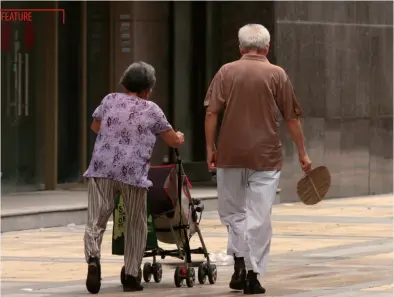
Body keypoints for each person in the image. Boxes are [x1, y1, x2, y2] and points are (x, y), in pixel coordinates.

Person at [204, 24, 312, 295]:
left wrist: (210, 148)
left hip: (230, 154)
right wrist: (302, 152)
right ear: (267, 47)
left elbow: (211, 113)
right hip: (266, 156)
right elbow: (291, 117)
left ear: (240, 47)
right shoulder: (277, 74)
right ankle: (253, 274)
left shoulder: (226, 71)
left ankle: (239, 263)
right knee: (259, 216)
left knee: (233, 213)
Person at [83, 61, 184, 293]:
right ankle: (130, 276)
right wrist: (179, 136)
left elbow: (95, 126)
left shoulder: (109, 100)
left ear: (125, 83)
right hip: (132, 172)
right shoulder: (152, 109)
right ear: (148, 88)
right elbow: (172, 140)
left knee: (96, 219)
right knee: (136, 223)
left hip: (102, 168)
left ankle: (93, 259)